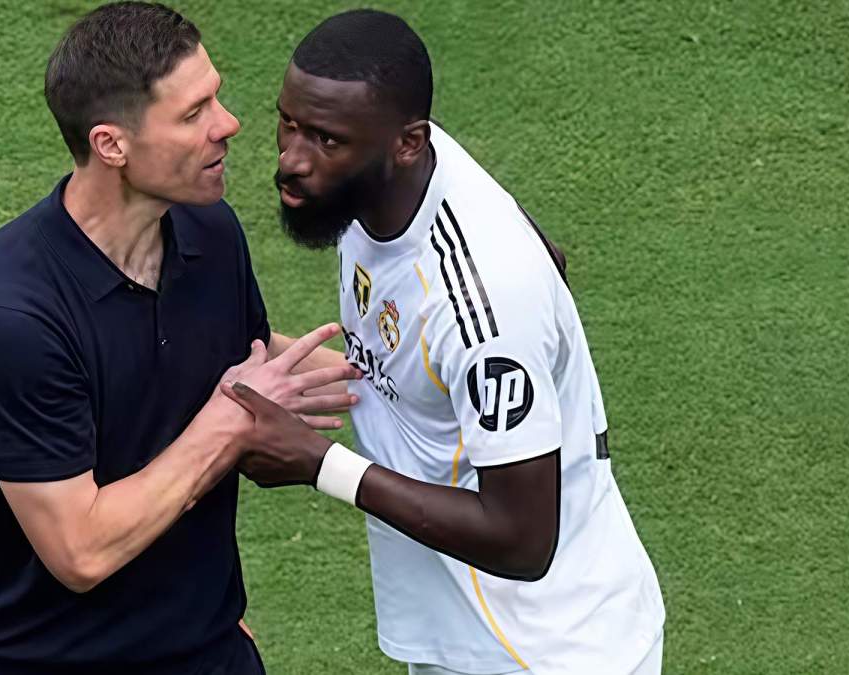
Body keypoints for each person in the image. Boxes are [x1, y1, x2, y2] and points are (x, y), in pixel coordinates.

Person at [222, 10, 665, 675]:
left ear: (408, 144)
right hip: (467, 636)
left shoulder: (482, 295)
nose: (292, 160)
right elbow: (543, 262)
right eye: (287, 123)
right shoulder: (395, 174)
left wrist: (319, 464)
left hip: (545, 649)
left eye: (326, 140)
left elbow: (522, 539)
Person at [0, 3, 357, 673]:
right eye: (193, 114)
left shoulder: (208, 232)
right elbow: (81, 550)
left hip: (205, 652)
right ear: (111, 145)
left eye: (215, 97)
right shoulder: (13, 320)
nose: (228, 124)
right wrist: (227, 422)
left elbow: (244, 355)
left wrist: (409, 378)